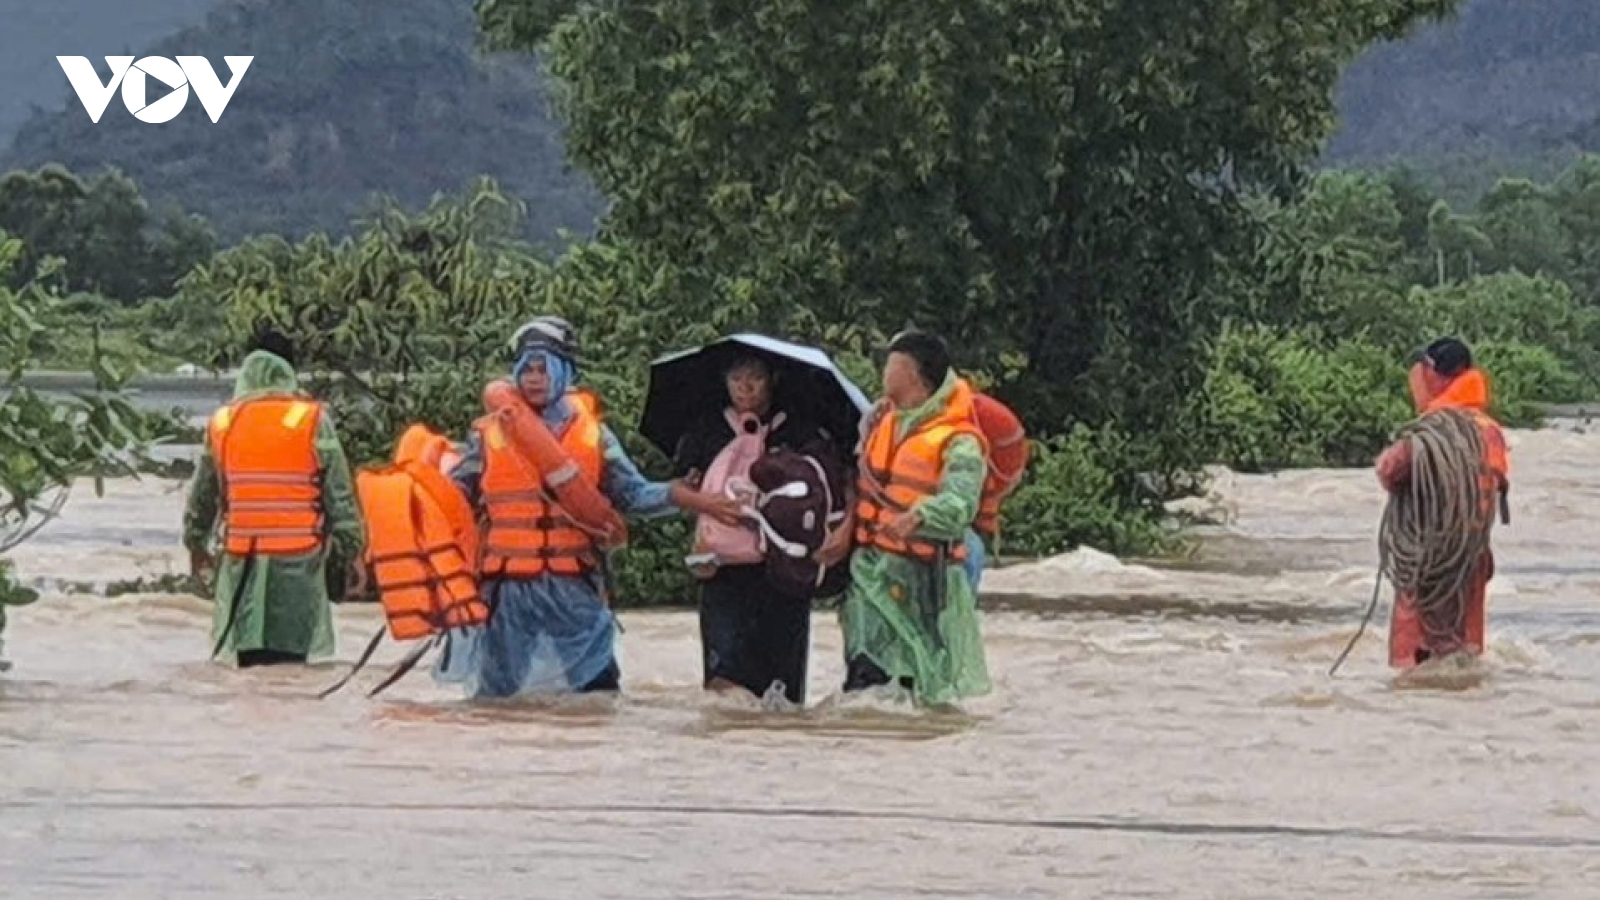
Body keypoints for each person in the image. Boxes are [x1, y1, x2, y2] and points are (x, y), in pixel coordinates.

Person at [435, 316, 742, 698]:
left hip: (574, 587)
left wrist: (681, 496)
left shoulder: (594, 435)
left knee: (598, 695)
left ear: (565, 371)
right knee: (496, 701)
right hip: (507, 591)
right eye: (526, 370)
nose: (534, 379)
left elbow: (632, 494)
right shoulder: (488, 434)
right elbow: (453, 497)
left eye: (543, 369)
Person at [183, 329, 366, 668]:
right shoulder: (312, 419)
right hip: (297, 562)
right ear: (289, 370)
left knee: (248, 662)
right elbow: (338, 495)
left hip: (241, 562)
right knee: (290, 664)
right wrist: (353, 552)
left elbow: (203, 497)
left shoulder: (224, 421)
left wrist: (196, 545)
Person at [671, 353, 841, 706]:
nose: (745, 388)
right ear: (724, 381)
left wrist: (839, 535)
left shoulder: (799, 430)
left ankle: (774, 738)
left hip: (785, 567)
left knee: (783, 689)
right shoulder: (705, 430)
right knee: (723, 679)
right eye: (736, 379)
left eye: (755, 378)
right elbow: (678, 489)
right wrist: (708, 504)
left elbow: (833, 485)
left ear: (772, 379)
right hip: (723, 569)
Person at [837, 329, 991, 706]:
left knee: (914, 684)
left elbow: (961, 503)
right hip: (870, 576)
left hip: (921, 583)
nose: (883, 372)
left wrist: (920, 515)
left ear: (912, 374)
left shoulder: (960, 441)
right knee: (865, 684)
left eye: (891, 364)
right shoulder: (882, 421)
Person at [1375, 336, 1510, 669]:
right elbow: (1496, 480)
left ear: (1437, 375)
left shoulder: (1429, 434)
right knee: (1464, 656)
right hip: (1471, 557)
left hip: (1426, 559)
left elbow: (1389, 471)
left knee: (1412, 668)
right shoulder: (1490, 430)